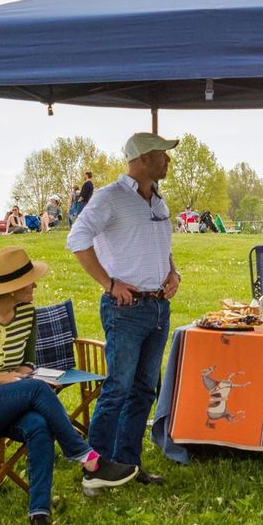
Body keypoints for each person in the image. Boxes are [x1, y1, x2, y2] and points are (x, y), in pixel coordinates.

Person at [0, 246, 137, 525]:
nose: (34, 285)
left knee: (39, 425)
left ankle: (39, 515)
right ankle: (88, 458)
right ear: (10, 289)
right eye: (29, 281)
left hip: (7, 400)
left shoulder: (26, 314)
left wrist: (22, 374)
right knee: (34, 390)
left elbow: (27, 362)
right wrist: (3, 380)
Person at [66, 132, 182, 487]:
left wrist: (172, 271)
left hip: (158, 308)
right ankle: (96, 469)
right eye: (163, 154)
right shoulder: (109, 198)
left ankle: (128, 465)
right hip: (125, 310)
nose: (168, 160)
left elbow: (160, 244)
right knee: (118, 387)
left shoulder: (158, 200)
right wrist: (109, 283)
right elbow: (77, 239)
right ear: (144, 157)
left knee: (145, 389)